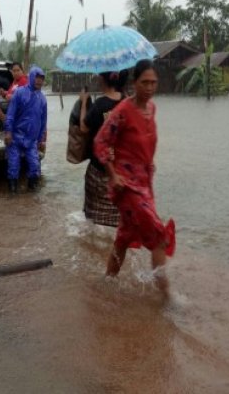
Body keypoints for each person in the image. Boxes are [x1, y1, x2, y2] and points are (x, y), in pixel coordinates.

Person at [93, 59, 176, 294]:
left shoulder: (152, 109)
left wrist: (149, 163)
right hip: (126, 186)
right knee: (159, 235)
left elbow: (145, 142)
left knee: (124, 236)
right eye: (145, 82)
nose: (149, 87)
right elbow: (100, 142)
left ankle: (107, 282)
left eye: (154, 83)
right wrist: (112, 174)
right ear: (134, 83)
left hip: (144, 182)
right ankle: (167, 297)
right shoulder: (122, 112)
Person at [79, 71, 127, 227]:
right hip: (121, 171)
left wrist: (84, 103)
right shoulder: (127, 102)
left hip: (100, 170)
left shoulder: (100, 104)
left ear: (102, 79)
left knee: (95, 224)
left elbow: (83, 128)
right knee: (119, 220)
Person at [4, 66, 47, 193]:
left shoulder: (42, 99)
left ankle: (31, 194)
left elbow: (43, 121)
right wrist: (8, 132)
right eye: (37, 78)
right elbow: (10, 114)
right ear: (32, 77)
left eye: (42, 79)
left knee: (34, 166)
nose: (39, 81)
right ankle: (12, 192)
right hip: (15, 137)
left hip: (31, 140)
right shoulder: (19, 92)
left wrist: (41, 139)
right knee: (13, 166)